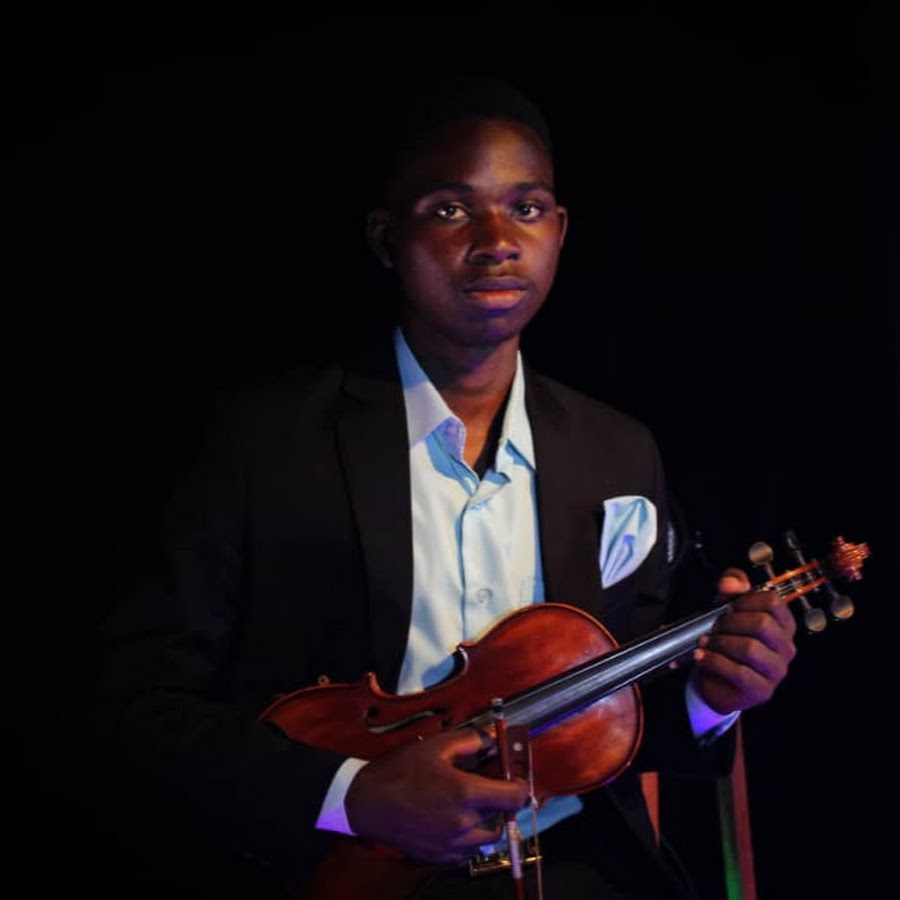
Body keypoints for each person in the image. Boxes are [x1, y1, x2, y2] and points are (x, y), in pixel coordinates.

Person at [69, 75, 797, 899]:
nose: (497, 242)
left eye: (527, 209)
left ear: (559, 231)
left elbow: (616, 720)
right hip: (339, 870)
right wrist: (354, 797)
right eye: (451, 210)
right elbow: (134, 703)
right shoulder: (263, 442)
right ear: (387, 238)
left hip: (570, 869)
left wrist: (709, 697)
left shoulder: (618, 451)